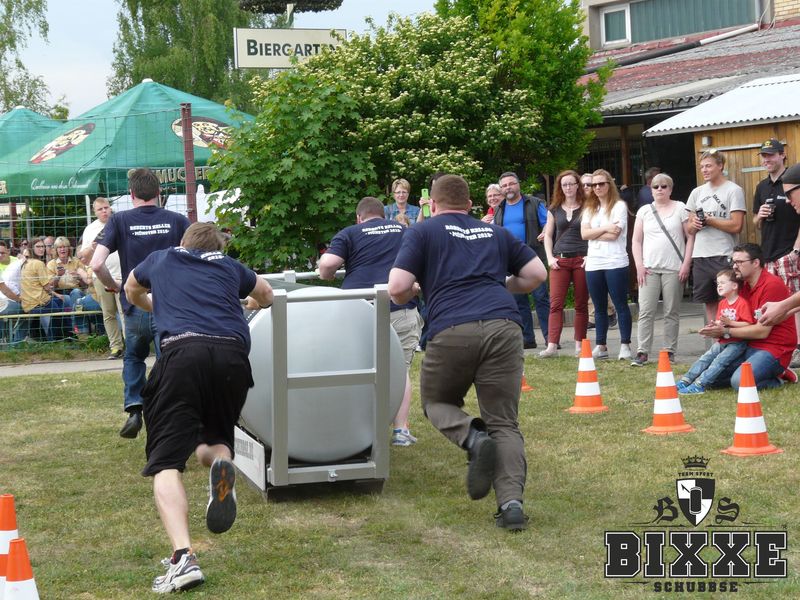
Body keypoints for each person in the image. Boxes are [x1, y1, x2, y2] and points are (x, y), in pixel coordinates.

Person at [388, 174, 547, 531]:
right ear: (470, 203)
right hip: (504, 326)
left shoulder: (423, 231)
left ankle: (474, 438)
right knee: (504, 422)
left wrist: (417, 290)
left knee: (437, 403)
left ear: (433, 204)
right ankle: (511, 506)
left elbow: (397, 287)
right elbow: (537, 274)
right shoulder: (495, 232)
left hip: (452, 328)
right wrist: (500, 285)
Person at [124, 222, 273, 593]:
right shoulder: (229, 266)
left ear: (183, 243)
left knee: (166, 462)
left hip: (182, 353)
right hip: (232, 356)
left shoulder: (162, 259)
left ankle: (183, 557)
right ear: (218, 249)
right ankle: (222, 464)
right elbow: (267, 294)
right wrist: (251, 303)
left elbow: (130, 288)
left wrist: (152, 305)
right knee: (214, 441)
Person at [91, 168, 190, 439]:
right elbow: (197, 256)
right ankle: (168, 415)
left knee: (134, 356)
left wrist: (114, 286)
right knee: (167, 360)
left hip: (135, 304)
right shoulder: (177, 220)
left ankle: (135, 408)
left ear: (132, 193)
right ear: (159, 192)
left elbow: (96, 264)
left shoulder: (119, 220)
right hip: (167, 305)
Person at [318, 196, 423, 447]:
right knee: (400, 371)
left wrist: (328, 275)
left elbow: (327, 266)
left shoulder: (350, 233)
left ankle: (356, 429)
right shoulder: (404, 230)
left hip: (358, 311)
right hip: (400, 306)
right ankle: (401, 431)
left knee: (356, 369)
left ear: (359, 217)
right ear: (383, 215)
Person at [698, 243, 797, 390]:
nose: (734, 266)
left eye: (739, 262)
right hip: (746, 345)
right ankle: (767, 372)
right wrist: (718, 326)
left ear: (756, 263)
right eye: (733, 262)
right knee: (709, 377)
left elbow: (762, 332)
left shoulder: (771, 285)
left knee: (740, 382)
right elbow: (735, 317)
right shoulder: (741, 285)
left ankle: (778, 376)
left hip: (773, 348)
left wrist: (725, 331)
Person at [631, 173, 694, 366]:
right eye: (656, 186)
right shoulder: (644, 211)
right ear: (650, 190)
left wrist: (686, 264)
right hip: (649, 268)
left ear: (671, 189)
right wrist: (639, 265)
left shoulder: (680, 207)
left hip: (674, 268)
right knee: (646, 311)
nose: (660, 189)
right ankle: (642, 351)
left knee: (671, 311)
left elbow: (690, 237)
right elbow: (636, 240)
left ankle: (669, 351)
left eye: (664, 186)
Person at [751, 139, 800, 369]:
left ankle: (798, 347)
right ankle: (780, 346)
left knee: (793, 298)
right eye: (764, 155)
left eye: (771, 154)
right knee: (777, 302)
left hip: (789, 252)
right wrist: (760, 216)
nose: (766, 159)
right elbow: (755, 222)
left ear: (782, 155)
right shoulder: (761, 187)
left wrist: (795, 251)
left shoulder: (792, 179)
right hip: (768, 253)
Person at [686, 149, 746, 324]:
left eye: (708, 166)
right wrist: (695, 224)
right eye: (702, 167)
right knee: (708, 302)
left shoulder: (733, 190)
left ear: (720, 166)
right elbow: (689, 229)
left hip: (724, 254)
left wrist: (711, 221)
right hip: (700, 255)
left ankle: (730, 336)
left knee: (729, 298)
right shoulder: (697, 192)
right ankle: (714, 338)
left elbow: (737, 225)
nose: (704, 170)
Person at [581, 169, 633, 360]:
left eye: (601, 183)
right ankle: (601, 345)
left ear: (609, 184)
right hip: (594, 262)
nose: (597, 187)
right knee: (599, 306)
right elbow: (584, 234)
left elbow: (614, 235)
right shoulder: (589, 208)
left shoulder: (619, 206)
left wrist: (594, 232)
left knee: (620, 304)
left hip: (615, 261)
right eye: (593, 185)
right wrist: (605, 228)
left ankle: (625, 345)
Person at [494, 171, 550, 349]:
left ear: (518, 184)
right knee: (519, 301)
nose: (508, 188)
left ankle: (550, 339)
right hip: (510, 260)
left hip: (532, 257)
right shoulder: (499, 208)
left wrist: (545, 232)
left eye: (511, 183)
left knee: (541, 298)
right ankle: (528, 339)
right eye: (504, 185)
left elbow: (548, 222)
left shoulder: (534, 203)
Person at [677, 270, 753, 394]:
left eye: (723, 283)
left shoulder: (742, 303)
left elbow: (748, 324)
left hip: (737, 343)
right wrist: (711, 328)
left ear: (734, 286)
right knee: (705, 358)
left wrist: (731, 322)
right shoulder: (722, 303)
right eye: (718, 284)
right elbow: (719, 322)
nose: (719, 286)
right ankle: (686, 380)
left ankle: (700, 384)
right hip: (722, 341)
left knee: (719, 361)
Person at [540, 170, 588, 358]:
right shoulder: (554, 209)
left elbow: (592, 232)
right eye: (564, 184)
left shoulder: (587, 207)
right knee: (555, 304)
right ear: (560, 187)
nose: (568, 187)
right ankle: (552, 346)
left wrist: (590, 255)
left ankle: (579, 346)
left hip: (581, 259)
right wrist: (550, 258)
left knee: (581, 304)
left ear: (577, 185)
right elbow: (548, 235)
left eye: (571, 184)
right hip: (559, 259)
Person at [78, 197, 126, 359]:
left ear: (110, 208)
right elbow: (83, 258)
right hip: (100, 276)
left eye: (106, 207)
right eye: (100, 209)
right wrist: (92, 247)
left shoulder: (120, 222)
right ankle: (116, 347)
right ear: (95, 212)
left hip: (122, 274)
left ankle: (132, 345)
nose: (104, 211)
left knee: (125, 311)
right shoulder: (90, 229)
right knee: (108, 313)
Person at [581, 173, 616, 329]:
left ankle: (597, 316)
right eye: (584, 185)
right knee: (591, 287)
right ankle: (606, 312)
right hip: (580, 247)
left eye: (590, 184)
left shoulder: (604, 205)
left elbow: (613, 233)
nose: (587, 187)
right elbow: (583, 233)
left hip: (598, 250)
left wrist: (591, 234)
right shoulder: (580, 204)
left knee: (597, 286)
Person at [48, 236, 101, 335]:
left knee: (76, 293)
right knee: (71, 300)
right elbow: (50, 286)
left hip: (78, 291)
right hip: (59, 293)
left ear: (69, 249)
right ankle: (80, 329)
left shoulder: (76, 261)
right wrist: (58, 276)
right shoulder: (51, 264)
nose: (63, 249)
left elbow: (86, 284)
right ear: (56, 250)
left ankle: (80, 330)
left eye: (65, 247)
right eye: (60, 247)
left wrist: (79, 277)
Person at [20, 237, 68, 341]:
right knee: (61, 308)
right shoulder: (39, 263)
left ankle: (40, 338)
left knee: (58, 302)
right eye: (38, 247)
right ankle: (54, 339)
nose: (41, 249)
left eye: (43, 246)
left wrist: (56, 294)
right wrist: (58, 277)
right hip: (38, 302)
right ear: (31, 248)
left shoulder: (26, 263)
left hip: (27, 303)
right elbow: (47, 287)